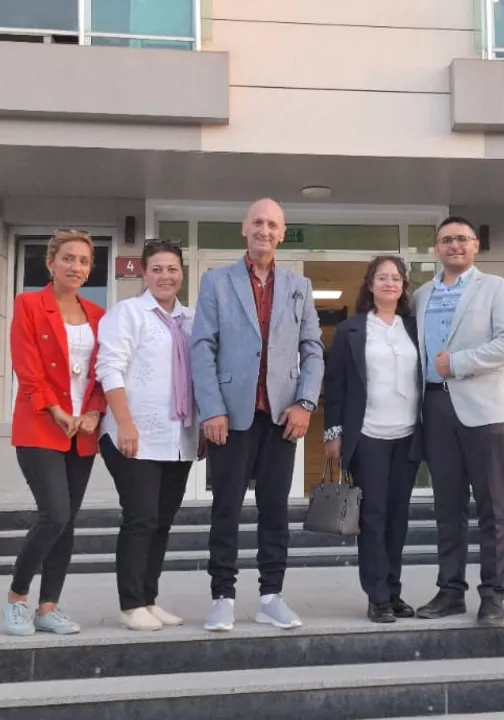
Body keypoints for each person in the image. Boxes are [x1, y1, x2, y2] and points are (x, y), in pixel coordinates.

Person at [190, 198, 324, 632]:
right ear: (244, 228)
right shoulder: (216, 282)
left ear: (282, 234)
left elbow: (313, 350)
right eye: (258, 223)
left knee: (275, 510)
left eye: (273, 225)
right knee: (226, 508)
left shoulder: (299, 286)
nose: (265, 231)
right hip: (230, 416)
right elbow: (202, 347)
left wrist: (305, 403)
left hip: (281, 417)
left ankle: (271, 596)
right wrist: (211, 408)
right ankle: (222, 597)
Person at [414, 216, 504, 624]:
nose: (454, 245)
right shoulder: (421, 295)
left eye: (462, 238)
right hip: (435, 408)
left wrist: (458, 363)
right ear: (436, 248)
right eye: (446, 240)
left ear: (475, 245)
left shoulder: (496, 288)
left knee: (492, 506)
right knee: (447, 507)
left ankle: (493, 594)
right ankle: (450, 591)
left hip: (483, 410)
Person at [5, 229, 107, 636]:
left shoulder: (98, 314)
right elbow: (27, 369)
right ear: (50, 263)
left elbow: (103, 373)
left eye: (83, 261)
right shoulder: (29, 305)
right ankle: (17, 598)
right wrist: (57, 410)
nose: (75, 267)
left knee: (68, 522)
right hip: (40, 427)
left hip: (82, 432)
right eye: (67, 258)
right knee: (54, 515)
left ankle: (48, 607)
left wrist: (94, 412)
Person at [95, 240, 199, 632]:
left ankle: (148, 599)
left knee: (162, 521)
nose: (165, 276)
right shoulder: (128, 313)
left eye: (172, 269)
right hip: (133, 435)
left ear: (182, 273)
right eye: (156, 269)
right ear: (143, 273)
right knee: (141, 517)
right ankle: (131, 603)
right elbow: (109, 368)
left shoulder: (191, 319)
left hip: (178, 438)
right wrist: (124, 422)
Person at [323, 256, 422, 624]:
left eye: (396, 278)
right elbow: (336, 384)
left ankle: (393, 591)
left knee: (398, 518)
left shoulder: (414, 328)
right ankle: (376, 595)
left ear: (404, 286)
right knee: (374, 516)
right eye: (382, 277)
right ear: (370, 285)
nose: (390, 283)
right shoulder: (351, 329)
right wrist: (333, 433)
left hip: (407, 435)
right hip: (368, 435)